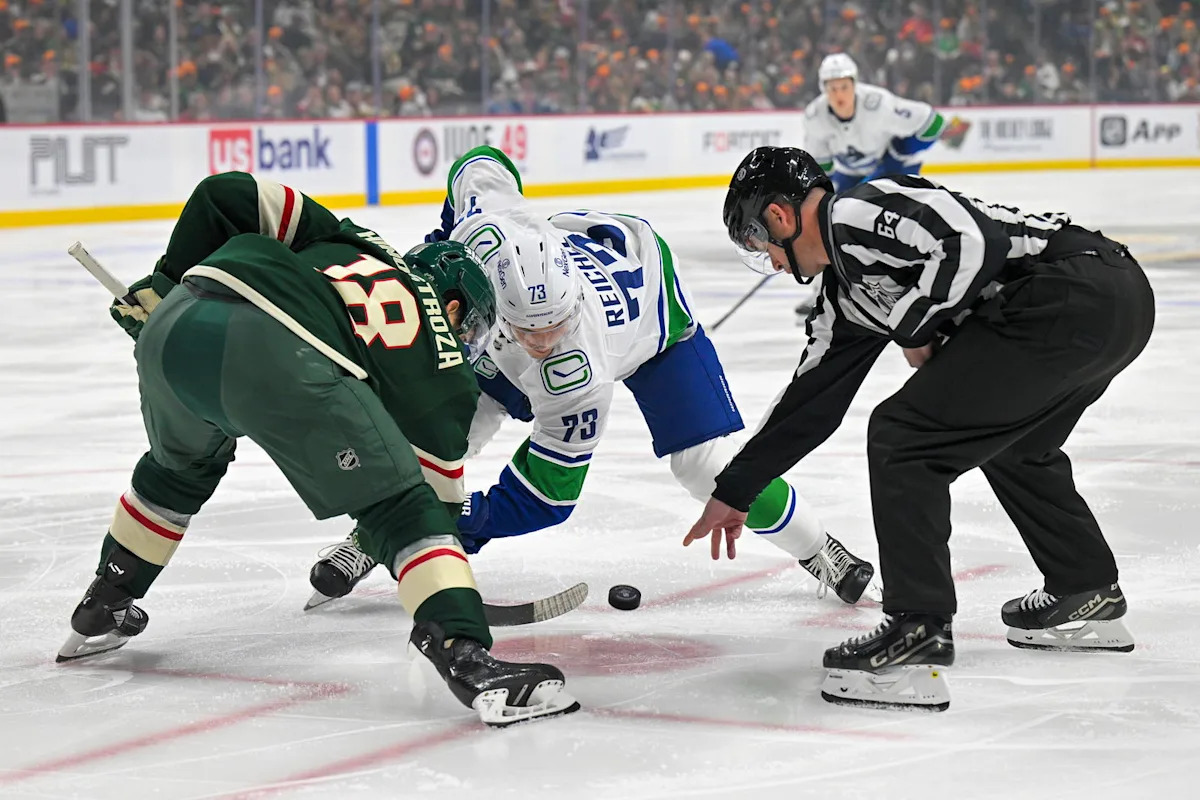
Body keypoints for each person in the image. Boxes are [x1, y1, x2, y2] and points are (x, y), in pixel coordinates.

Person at [59, 172, 579, 728]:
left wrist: (164, 284)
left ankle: (106, 601)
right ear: (454, 308)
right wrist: (449, 594)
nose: (467, 341)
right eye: (470, 326)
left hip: (174, 322)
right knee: (404, 510)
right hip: (277, 349)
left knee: (178, 470)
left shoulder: (357, 241)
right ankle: (465, 656)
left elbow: (227, 194)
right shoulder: (445, 362)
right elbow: (432, 505)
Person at [686, 146, 1154, 711]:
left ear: (780, 218)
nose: (774, 264)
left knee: (901, 438)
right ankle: (1086, 589)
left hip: (1077, 287)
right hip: (1108, 306)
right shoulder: (844, 297)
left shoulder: (856, 213)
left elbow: (976, 243)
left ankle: (917, 632)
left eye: (761, 246)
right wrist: (736, 490)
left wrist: (912, 328)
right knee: (1018, 446)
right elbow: (809, 403)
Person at [308, 144, 876, 608]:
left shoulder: (576, 371)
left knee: (704, 465)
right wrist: (451, 231)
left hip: (653, 321)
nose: (544, 342)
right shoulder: (488, 239)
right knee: (445, 428)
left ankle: (819, 548)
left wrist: (460, 520)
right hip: (583, 253)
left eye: (555, 328)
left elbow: (549, 496)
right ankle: (371, 533)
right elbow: (481, 164)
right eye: (533, 331)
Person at [792, 52, 944, 322]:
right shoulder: (815, 116)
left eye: (844, 87)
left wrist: (899, 153)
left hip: (889, 170)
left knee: (898, 226)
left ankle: (916, 284)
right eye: (833, 88)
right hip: (850, 177)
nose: (839, 94)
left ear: (855, 85)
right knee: (827, 230)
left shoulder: (879, 105)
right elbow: (823, 166)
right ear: (823, 89)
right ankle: (821, 291)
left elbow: (933, 123)